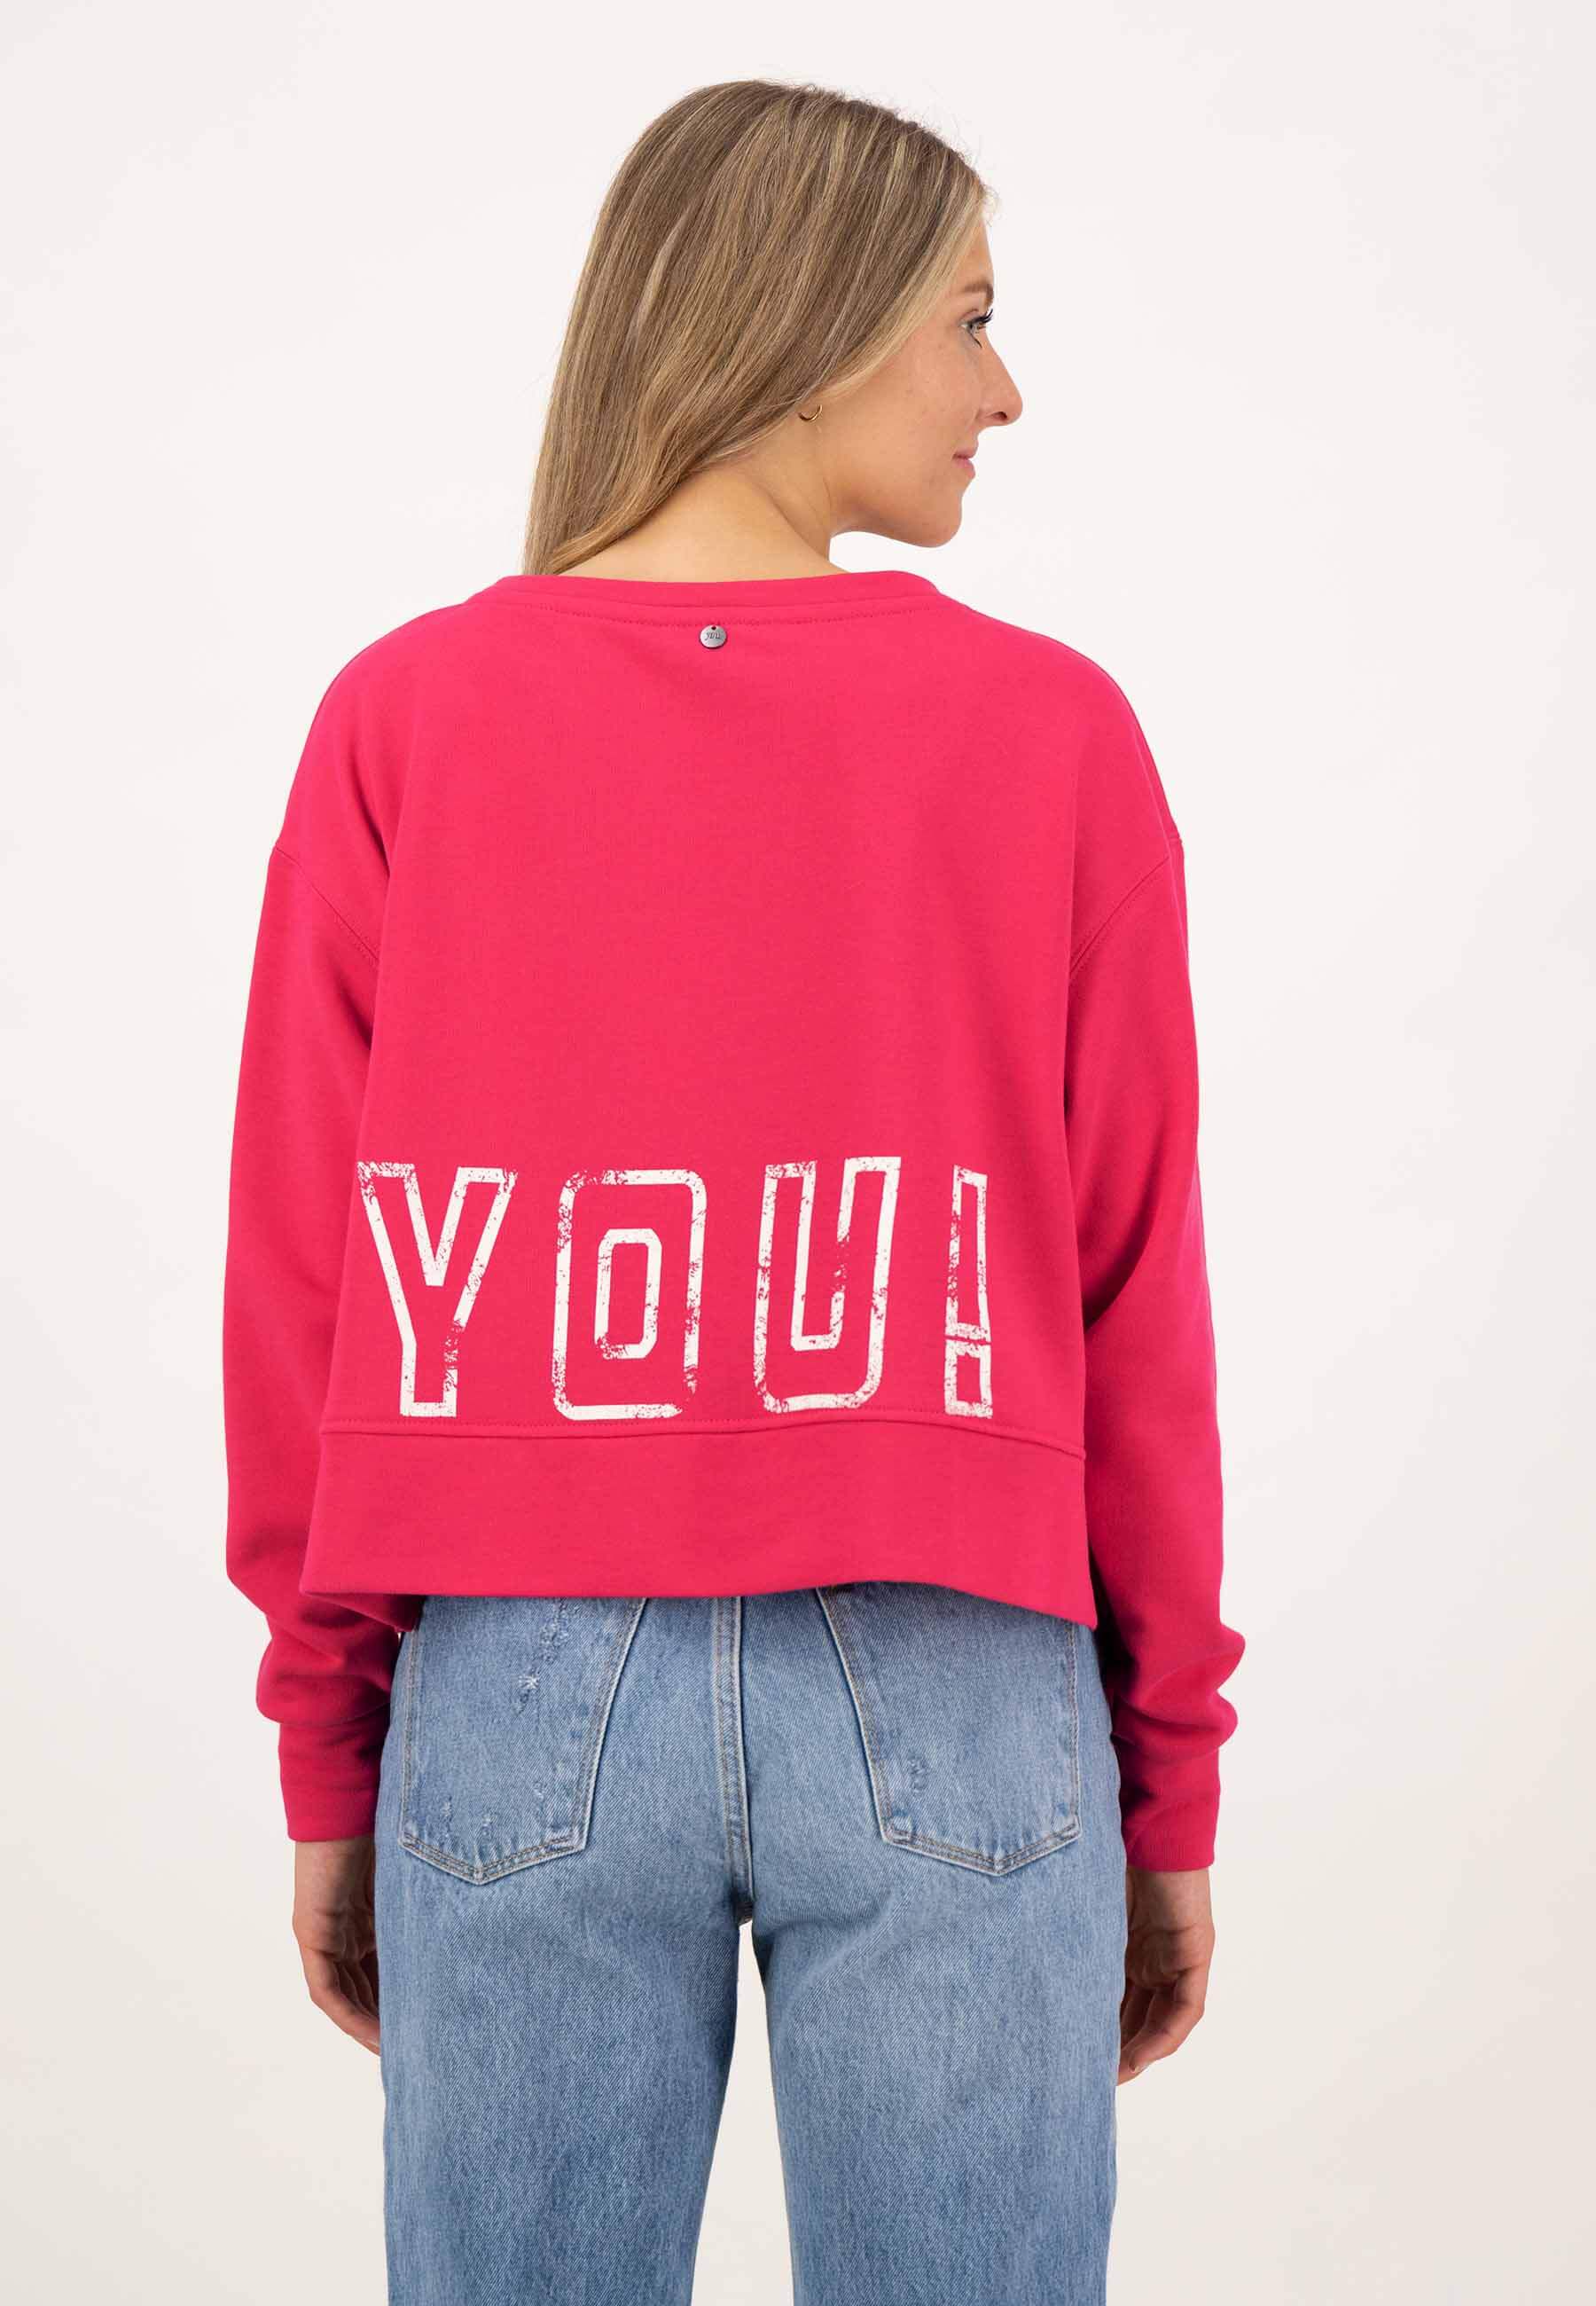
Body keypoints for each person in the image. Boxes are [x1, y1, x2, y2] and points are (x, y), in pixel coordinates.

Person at [222, 76, 1245, 2306]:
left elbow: (309, 1284)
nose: (1002, 391)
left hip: (517, 1674)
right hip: (962, 1667)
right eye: (969, 319)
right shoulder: (1051, 734)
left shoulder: (408, 717)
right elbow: (1131, 1294)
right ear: (815, 317)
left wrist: (332, 1743)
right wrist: (1165, 1779)